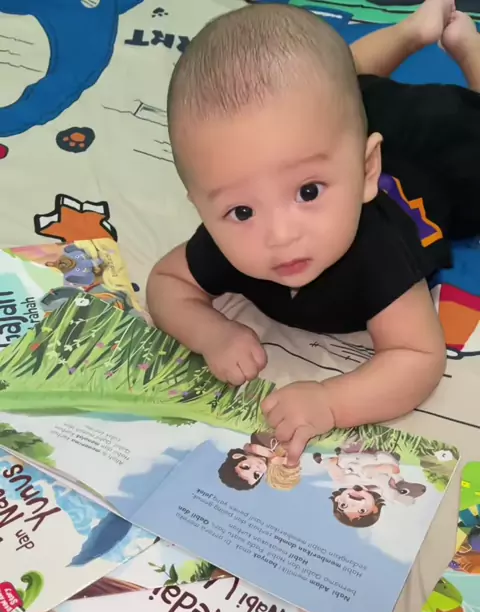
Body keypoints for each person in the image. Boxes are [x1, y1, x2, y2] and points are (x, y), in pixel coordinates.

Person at [147, 1, 479, 464]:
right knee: (344, 81)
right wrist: (212, 334)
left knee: (359, 83)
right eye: (242, 210)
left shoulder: (378, 253)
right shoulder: (229, 239)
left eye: (308, 192)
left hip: (441, 154)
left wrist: (330, 401)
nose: (280, 235)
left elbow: (417, 358)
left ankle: (467, 50)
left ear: (366, 170)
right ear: (201, 206)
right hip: (339, 128)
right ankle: (413, 30)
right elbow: (166, 282)